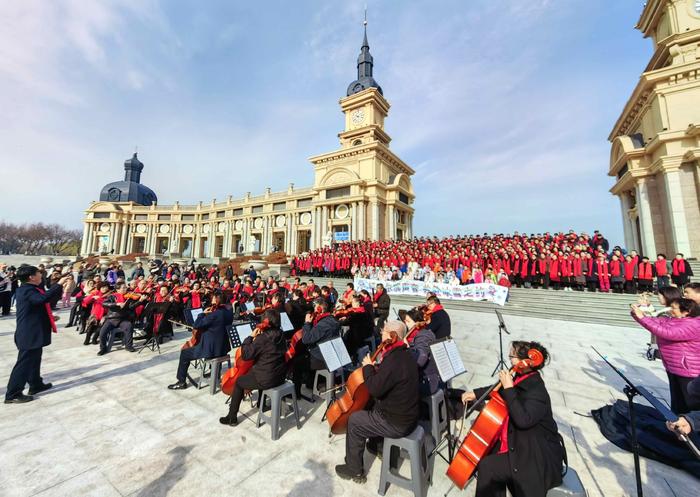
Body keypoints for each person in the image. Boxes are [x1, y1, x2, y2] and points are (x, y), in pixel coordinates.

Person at [461, 341, 564, 497]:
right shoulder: (522, 376)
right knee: (488, 451)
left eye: (512, 356)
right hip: (522, 443)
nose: (510, 360)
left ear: (526, 362)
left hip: (535, 455)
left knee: (488, 466)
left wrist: (509, 388)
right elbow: (501, 391)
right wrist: (476, 393)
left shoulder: (538, 391)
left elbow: (523, 420)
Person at [334, 320, 420, 483]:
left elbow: (375, 388)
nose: (381, 333)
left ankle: (354, 470)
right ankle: (377, 446)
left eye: (384, 331)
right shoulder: (405, 354)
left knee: (355, 421)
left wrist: (367, 367)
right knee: (371, 405)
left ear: (392, 336)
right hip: (409, 416)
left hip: (397, 423)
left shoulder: (393, 360)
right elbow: (388, 381)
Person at [5, 265, 63, 404]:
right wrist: (58, 285)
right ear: (31, 277)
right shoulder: (26, 290)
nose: (41, 276)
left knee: (35, 359)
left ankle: (35, 384)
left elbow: (36, 306)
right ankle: (13, 393)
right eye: (38, 273)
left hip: (33, 331)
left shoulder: (30, 289)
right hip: (29, 333)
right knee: (24, 363)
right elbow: (41, 299)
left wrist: (49, 317)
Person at [219, 310, 288, 426]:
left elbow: (246, 355)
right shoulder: (281, 334)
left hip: (268, 378)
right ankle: (262, 403)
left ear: (266, 322)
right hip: (280, 375)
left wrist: (250, 337)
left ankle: (232, 417)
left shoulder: (263, 339)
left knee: (239, 381)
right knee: (259, 370)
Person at [631, 298, 700, 413]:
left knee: (690, 403)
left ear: (686, 312)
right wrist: (637, 311)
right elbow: (652, 321)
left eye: (673, 308)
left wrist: (642, 317)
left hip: (688, 370)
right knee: (677, 402)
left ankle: (690, 427)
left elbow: (667, 333)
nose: (670, 310)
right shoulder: (672, 320)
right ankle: (676, 425)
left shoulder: (694, 324)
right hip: (673, 367)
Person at [168, 290, 232, 390]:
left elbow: (196, 325)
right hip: (223, 347)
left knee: (185, 353)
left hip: (211, 350)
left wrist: (202, 314)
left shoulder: (214, 315)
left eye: (214, 298)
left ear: (217, 300)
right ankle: (214, 372)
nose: (212, 299)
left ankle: (181, 381)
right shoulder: (228, 312)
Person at [292, 298, 340, 398]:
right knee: (306, 355)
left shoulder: (322, 325)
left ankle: (296, 394)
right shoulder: (332, 319)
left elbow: (306, 339)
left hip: (322, 358)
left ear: (320, 309)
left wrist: (307, 323)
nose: (314, 310)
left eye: (315, 308)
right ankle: (311, 383)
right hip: (330, 354)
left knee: (296, 362)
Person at [97, 283, 147, 355]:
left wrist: (140, 301)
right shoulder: (112, 296)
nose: (125, 289)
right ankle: (103, 348)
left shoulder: (128, 297)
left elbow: (131, 307)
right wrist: (116, 304)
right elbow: (104, 303)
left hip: (123, 319)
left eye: (125, 288)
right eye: (123, 288)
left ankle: (128, 346)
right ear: (117, 289)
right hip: (111, 319)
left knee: (129, 326)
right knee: (102, 332)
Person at [400, 308, 440, 397]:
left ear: (417, 322)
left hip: (427, 381)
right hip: (424, 377)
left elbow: (420, 360)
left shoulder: (423, 336)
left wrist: (407, 348)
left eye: (408, 321)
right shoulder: (421, 334)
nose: (406, 324)